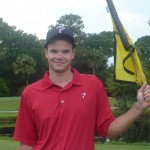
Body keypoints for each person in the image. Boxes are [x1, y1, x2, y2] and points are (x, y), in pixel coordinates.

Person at [13, 25, 150, 150]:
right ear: (46, 53)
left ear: (73, 53)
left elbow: (109, 130)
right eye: (54, 51)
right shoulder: (30, 93)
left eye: (65, 51)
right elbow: (27, 143)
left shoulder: (93, 85)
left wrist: (138, 107)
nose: (59, 56)